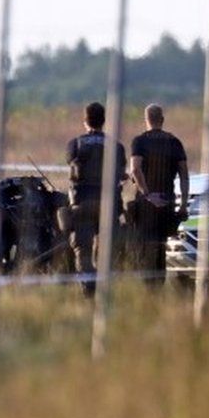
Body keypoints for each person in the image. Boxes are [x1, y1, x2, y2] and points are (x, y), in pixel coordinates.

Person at [66, 102, 126, 297]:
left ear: (85, 121)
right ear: (104, 121)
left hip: (82, 203)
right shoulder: (116, 147)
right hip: (109, 205)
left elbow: (72, 166)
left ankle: (88, 289)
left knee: (82, 251)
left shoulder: (75, 144)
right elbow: (121, 172)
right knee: (107, 249)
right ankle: (104, 288)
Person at [128, 104, 190, 285]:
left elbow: (136, 169)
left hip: (146, 205)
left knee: (144, 250)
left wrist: (147, 194)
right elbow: (184, 176)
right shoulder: (174, 142)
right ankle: (158, 289)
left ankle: (147, 291)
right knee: (161, 250)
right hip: (166, 203)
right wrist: (183, 205)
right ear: (162, 120)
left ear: (145, 120)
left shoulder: (139, 141)